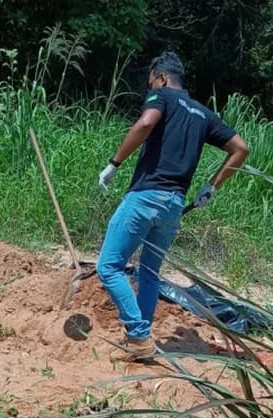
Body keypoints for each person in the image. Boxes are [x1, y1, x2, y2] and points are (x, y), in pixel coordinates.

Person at [96, 51, 249, 361]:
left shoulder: (162, 96)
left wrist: (115, 163)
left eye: (152, 83)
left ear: (163, 79)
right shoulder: (203, 113)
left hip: (146, 197)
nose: (150, 88)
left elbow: (145, 124)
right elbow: (241, 148)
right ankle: (139, 340)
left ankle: (138, 335)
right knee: (149, 272)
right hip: (173, 205)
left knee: (108, 266)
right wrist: (212, 186)